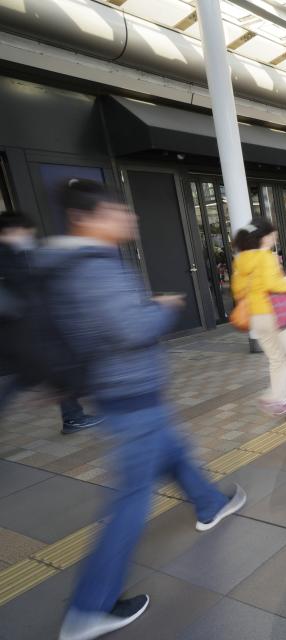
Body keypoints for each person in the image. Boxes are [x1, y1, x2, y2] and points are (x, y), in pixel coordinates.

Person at [44, 180, 245, 640]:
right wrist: (162, 307)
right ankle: (89, 608)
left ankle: (211, 502)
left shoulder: (73, 264)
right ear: (86, 219)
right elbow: (130, 328)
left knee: (173, 451)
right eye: (114, 209)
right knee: (132, 501)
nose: (126, 216)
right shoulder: (94, 267)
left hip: (125, 394)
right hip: (129, 395)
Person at [0, 211, 103, 434]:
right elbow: (27, 294)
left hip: (24, 337)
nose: (29, 236)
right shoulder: (10, 257)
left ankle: (73, 416)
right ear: (10, 231)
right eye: (26, 231)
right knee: (53, 372)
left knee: (45, 376)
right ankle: (74, 417)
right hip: (25, 336)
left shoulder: (17, 255)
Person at [231, 220, 286, 417]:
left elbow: (237, 291)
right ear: (262, 237)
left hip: (255, 317)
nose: (274, 238)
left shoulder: (240, 261)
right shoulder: (266, 257)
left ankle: (276, 398)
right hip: (273, 314)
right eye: (272, 235)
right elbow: (274, 285)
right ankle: (275, 396)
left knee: (276, 358)